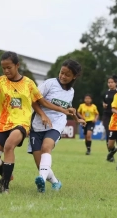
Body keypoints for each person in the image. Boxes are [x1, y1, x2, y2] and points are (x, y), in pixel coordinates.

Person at [0, 51, 75, 194]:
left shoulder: (29, 84)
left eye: (9, 67)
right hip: (3, 124)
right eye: (3, 68)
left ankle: (4, 187)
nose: (6, 71)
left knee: (9, 145)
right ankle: (7, 175)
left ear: (17, 65)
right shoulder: (0, 81)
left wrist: (62, 110)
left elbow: (41, 101)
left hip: (21, 124)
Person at [28, 59, 86, 193]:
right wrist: (42, 115)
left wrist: (76, 118)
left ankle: (41, 180)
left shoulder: (71, 91)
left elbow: (67, 108)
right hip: (37, 125)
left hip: (56, 124)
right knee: (40, 164)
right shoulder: (49, 84)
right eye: (62, 73)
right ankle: (55, 182)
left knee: (46, 147)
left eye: (67, 75)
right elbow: (34, 101)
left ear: (74, 77)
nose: (63, 76)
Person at [102, 75, 117, 160]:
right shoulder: (106, 93)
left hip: (116, 116)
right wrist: (103, 104)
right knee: (108, 132)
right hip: (107, 115)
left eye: (112, 82)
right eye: (108, 82)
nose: (110, 84)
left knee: (115, 134)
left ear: (116, 83)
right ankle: (111, 152)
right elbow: (104, 101)